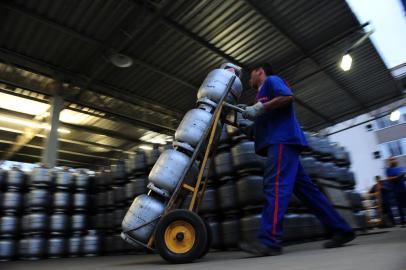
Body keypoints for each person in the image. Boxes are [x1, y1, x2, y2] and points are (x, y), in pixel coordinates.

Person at [238, 63, 355, 256]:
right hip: (281, 143)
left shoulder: (271, 82)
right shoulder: (261, 97)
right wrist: (247, 124)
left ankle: (270, 241)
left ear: (260, 71)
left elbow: (287, 97)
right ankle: (342, 230)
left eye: (251, 74)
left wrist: (259, 108)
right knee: (309, 193)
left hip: (282, 141)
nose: (249, 79)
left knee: (274, 186)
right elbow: (264, 123)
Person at [385, 156, 406, 226]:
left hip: (403, 188)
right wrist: (398, 176)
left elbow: (404, 178)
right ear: (389, 161)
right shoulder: (388, 170)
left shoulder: (401, 168)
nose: (393, 161)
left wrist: (403, 176)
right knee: (399, 206)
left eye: (394, 159)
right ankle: (403, 221)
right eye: (391, 160)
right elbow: (389, 179)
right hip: (396, 190)